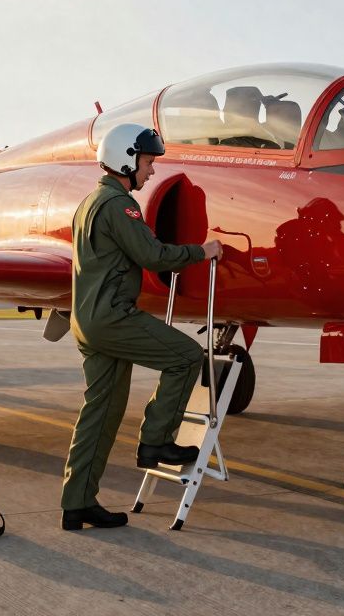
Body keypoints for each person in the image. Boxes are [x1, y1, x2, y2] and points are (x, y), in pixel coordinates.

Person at [61, 123, 223, 530]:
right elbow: (152, 255)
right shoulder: (119, 205)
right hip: (113, 318)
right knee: (187, 357)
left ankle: (77, 504)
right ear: (126, 160)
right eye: (148, 162)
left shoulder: (90, 202)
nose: (151, 171)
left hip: (89, 320)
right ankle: (155, 443)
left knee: (100, 414)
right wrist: (201, 252)